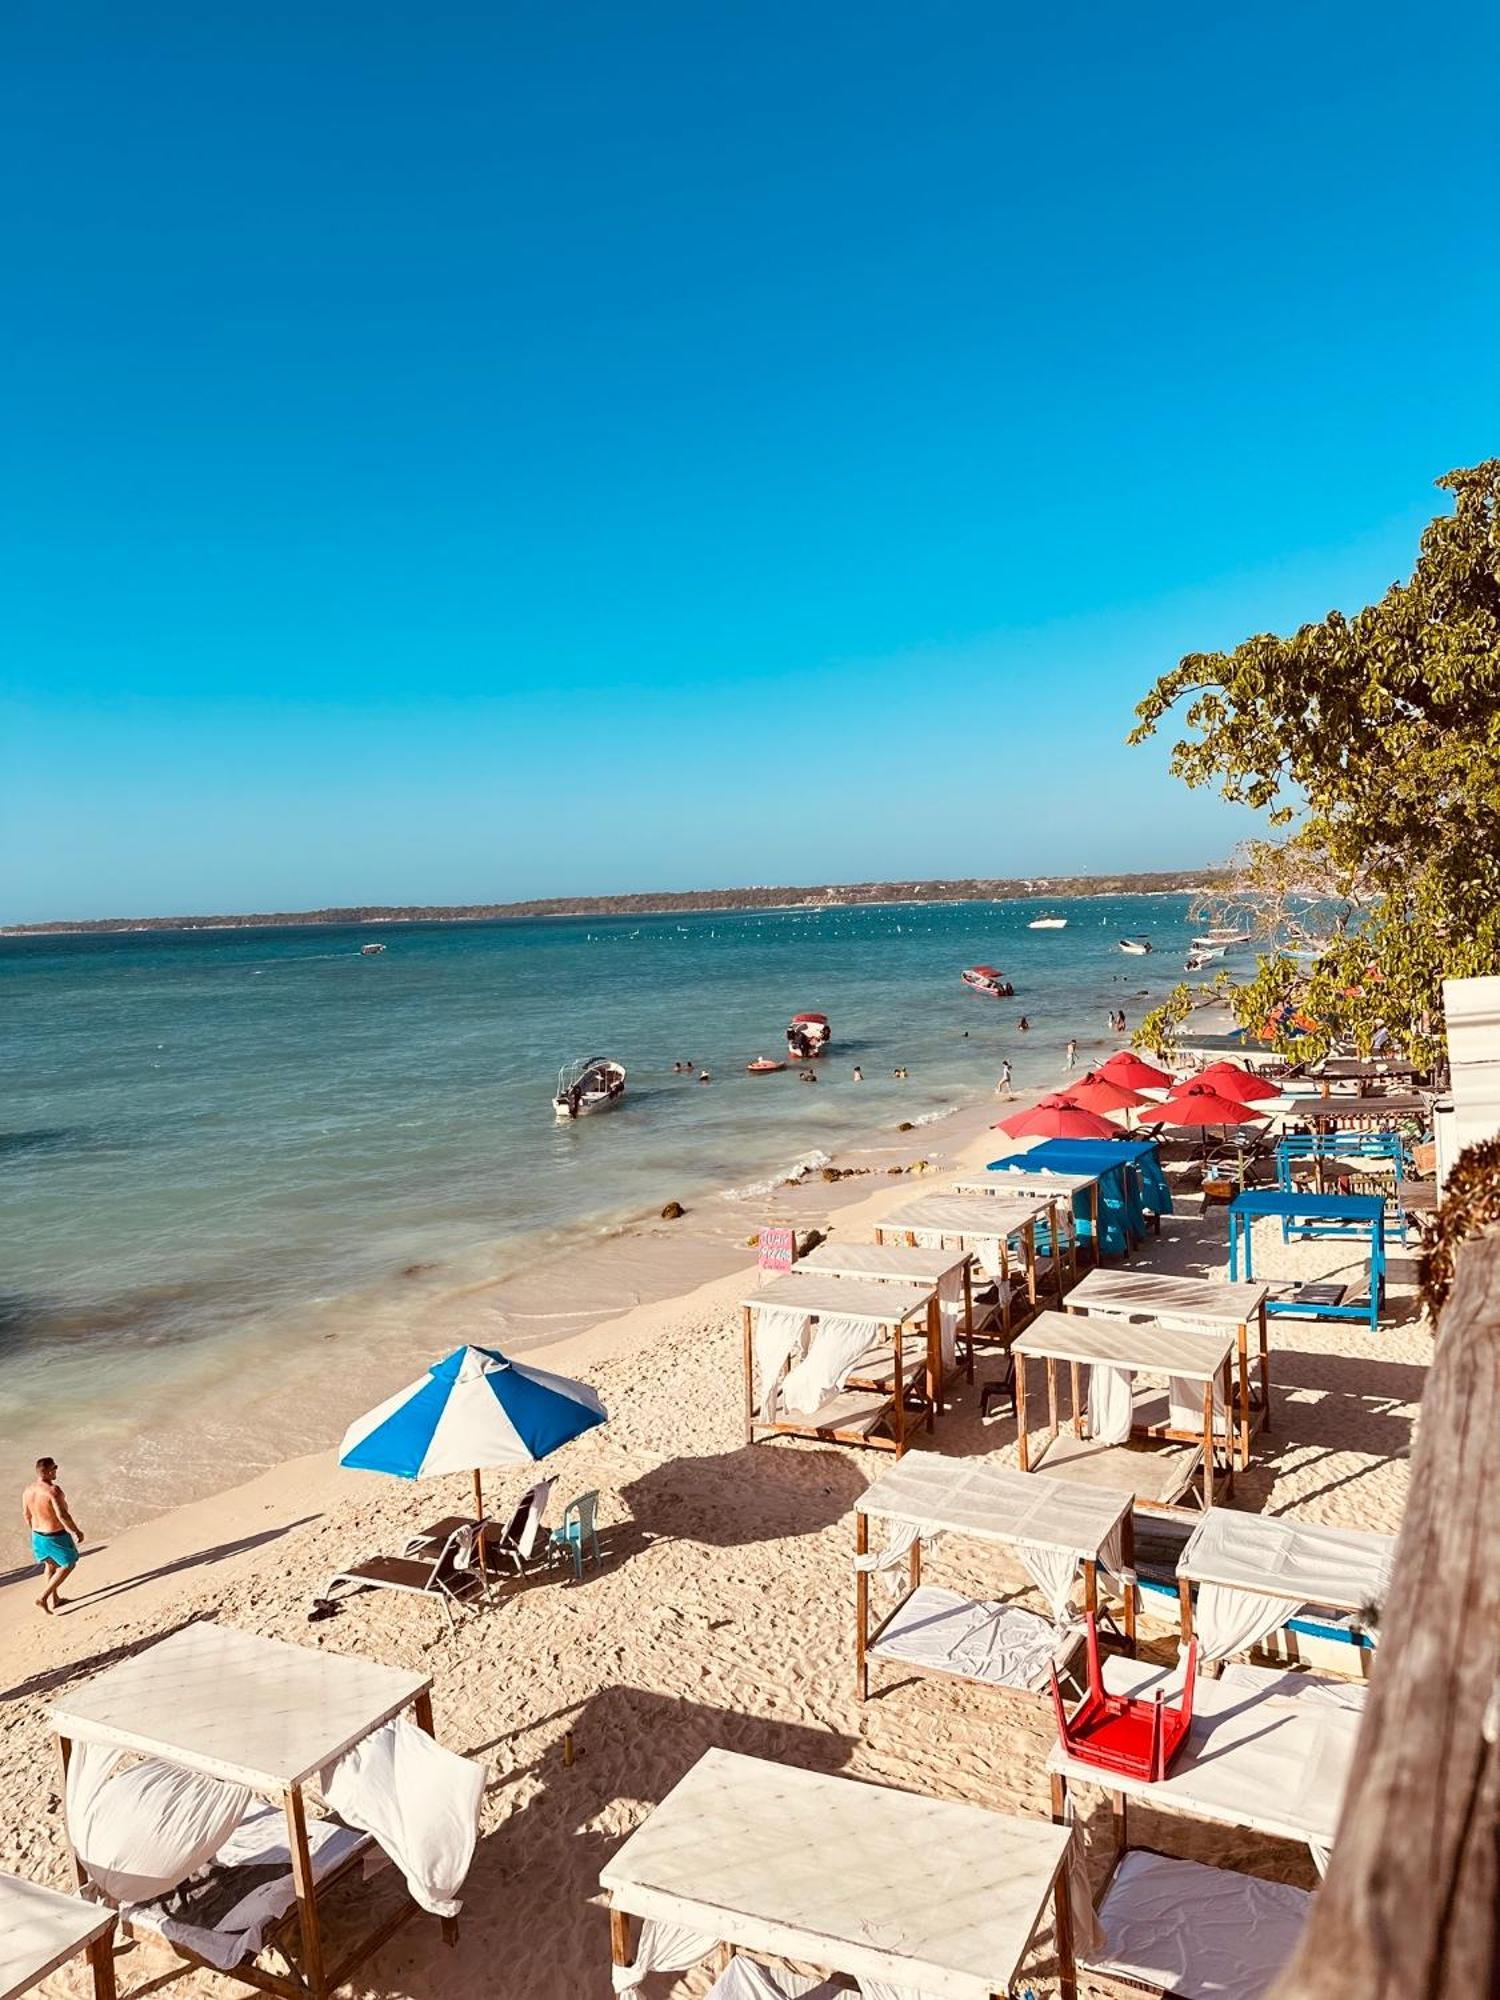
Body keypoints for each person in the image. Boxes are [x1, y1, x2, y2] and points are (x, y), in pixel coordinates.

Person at [23, 1458, 83, 1615]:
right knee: (69, 1564)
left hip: (37, 1535)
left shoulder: (28, 1490)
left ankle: (55, 1600)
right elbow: (63, 1515)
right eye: (54, 1467)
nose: (56, 1470)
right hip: (55, 1535)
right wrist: (76, 1531)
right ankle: (43, 1597)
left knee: (50, 1565)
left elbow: (26, 1515)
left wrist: (36, 1532)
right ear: (48, 1471)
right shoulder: (53, 1491)